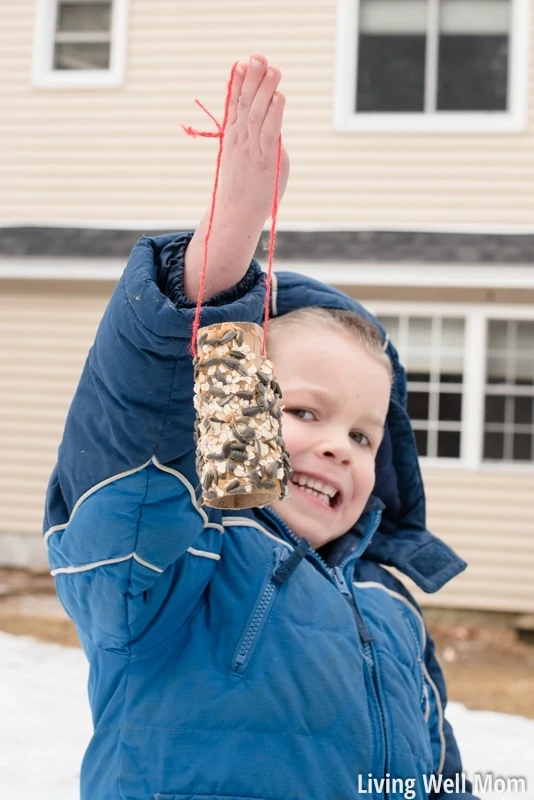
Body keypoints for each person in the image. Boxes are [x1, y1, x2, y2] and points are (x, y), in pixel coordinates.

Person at [44, 55, 479, 800]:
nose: (340, 445)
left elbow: (439, 779)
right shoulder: (172, 565)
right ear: (235, 404)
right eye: (306, 412)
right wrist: (228, 245)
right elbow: (136, 426)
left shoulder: (391, 608)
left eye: (366, 436)